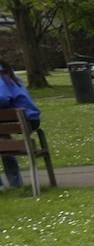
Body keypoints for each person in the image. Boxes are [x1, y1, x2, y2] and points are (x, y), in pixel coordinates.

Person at [0, 59, 40, 193]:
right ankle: (14, 183)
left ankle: (10, 183)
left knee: (4, 139)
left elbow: (3, 99)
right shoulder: (10, 77)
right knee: (4, 140)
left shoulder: (1, 78)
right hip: (28, 119)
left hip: (22, 120)